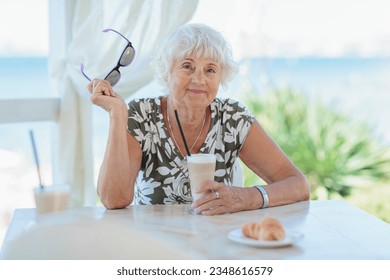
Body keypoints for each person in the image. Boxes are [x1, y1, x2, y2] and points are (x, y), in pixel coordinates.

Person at [87, 23, 309, 215]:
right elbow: (113, 200)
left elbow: (298, 185)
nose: (199, 79)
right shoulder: (141, 115)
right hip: (156, 244)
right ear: (167, 71)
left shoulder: (233, 118)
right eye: (187, 66)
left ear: (221, 77)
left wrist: (246, 198)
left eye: (210, 70)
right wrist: (117, 116)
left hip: (216, 244)